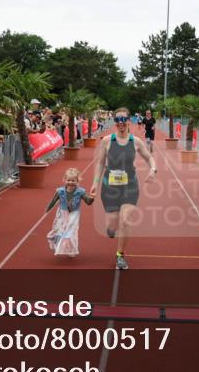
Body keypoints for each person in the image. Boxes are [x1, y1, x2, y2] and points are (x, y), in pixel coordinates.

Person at [90, 107, 157, 270]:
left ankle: (120, 255)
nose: (120, 123)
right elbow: (100, 163)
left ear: (129, 121)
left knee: (125, 221)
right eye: (117, 120)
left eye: (123, 119)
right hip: (110, 188)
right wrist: (95, 183)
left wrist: (153, 169)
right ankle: (111, 229)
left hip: (130, 186)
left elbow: (149, 157)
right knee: (113, 225)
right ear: (115, 122)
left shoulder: (136, 141)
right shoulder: (107, 141)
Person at [45, 168, 95, 258]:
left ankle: (72, 249)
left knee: (71, 231)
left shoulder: (80, 192)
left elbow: (88, 202)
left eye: (73, 180)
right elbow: (53, 200)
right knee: (60, 229)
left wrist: (91, 198)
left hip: (74, 214)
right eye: (68, 180)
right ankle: (53, 238)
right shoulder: (60, 191)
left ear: (77, 181)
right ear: (64, 180)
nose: (71, 182)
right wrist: (47, 210)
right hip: (62, 213)